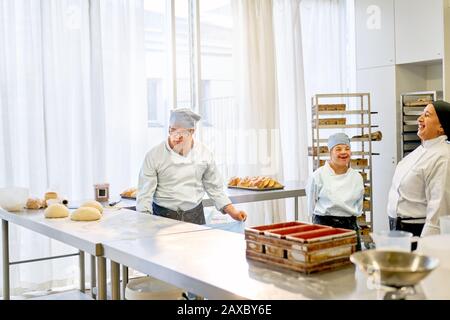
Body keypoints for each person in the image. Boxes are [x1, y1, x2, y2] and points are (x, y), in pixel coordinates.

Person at [136, 108, 247, 225]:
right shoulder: (154, 155)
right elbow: (144, 194)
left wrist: (233, 212)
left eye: (182, 133)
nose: (176, 137)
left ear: (192, 131)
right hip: (163, 218)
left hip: (195, 217)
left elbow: (214, 188)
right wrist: (145, 223)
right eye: (173, 130)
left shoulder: (204, 153)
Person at [387, 100, 450, 237]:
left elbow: (439, 207)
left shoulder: (443, 156)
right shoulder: (422, 150)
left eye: (427, 115)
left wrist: (426, 245)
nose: (419, 119)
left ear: (441, 127)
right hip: (398, 228)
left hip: (418, 231)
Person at [306, 133, 364, 251]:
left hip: (350, 227)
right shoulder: (318, 176)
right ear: (330, 152)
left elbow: (359, 205)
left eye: (347, 149)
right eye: (338, 149)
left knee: (351, 264)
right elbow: (311, 205)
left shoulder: (357, 177)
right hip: (324, 227)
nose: (344, 152)